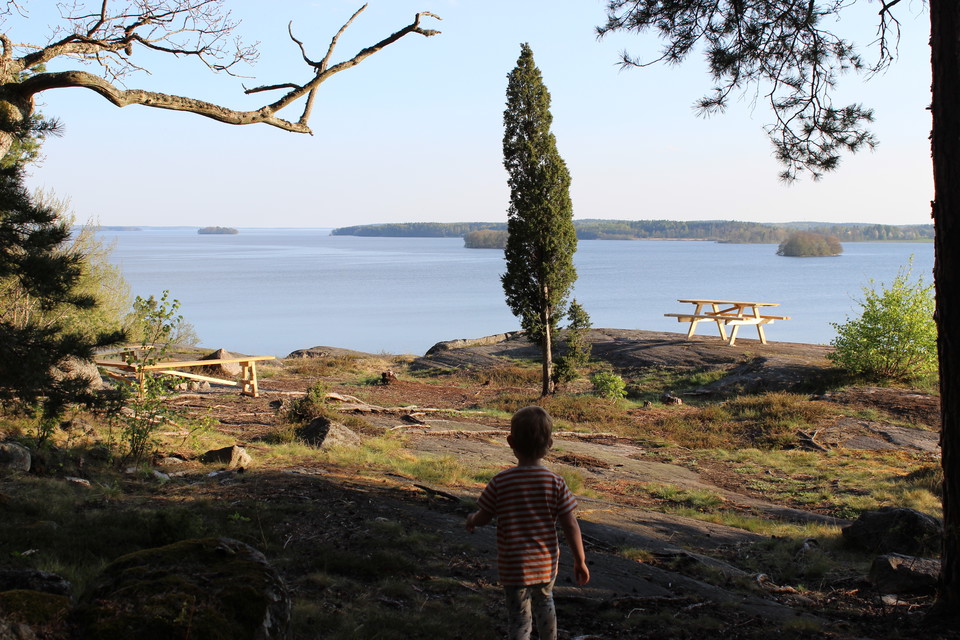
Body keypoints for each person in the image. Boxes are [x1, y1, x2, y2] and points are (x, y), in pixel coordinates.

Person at [465, 405, 590, 640]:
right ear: (550, 444)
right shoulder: (555, 482)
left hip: (513, 564)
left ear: (510, 442)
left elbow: (484, 516)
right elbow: (570, 524)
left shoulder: (501, 481)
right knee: (545, 603)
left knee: (519, 616)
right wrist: (580, 560)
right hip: (544, 563)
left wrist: (471, 519)